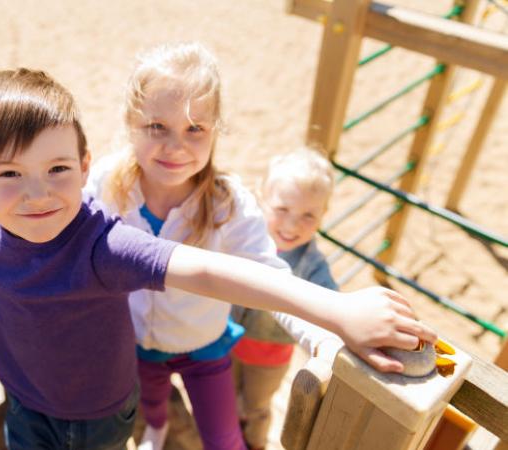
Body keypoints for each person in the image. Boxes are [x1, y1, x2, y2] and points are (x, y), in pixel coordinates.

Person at [0, 69, 434, 450]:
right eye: (10, 174)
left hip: (100, 412)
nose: (38, 194)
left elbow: (208, 270)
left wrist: (334, 310)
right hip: (24, 402)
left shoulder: (100, 244)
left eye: (58, 169)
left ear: (85, 167)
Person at [84, 42, 408, 450]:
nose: (175, 146)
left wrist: (324, 336)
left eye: (194, 129)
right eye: (156, 127)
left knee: (224, 438)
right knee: (152, 401)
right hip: (133, 340)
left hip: (201, 346)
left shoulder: (227, 204)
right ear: (131, 121)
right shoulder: (104, 183)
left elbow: (269, 274)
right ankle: (157, 430)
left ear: (215, 129)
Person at [231, 147, 338, 450]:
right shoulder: (246, 238)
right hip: (225, 340)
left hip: (269, 357)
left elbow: (331, 301)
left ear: (322, 215)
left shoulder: (312, 264)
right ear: (261, 199)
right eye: (282, 210)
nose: (292, 226)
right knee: (225, 397)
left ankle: (254, 442)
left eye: (308, 215)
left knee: (256, 406)